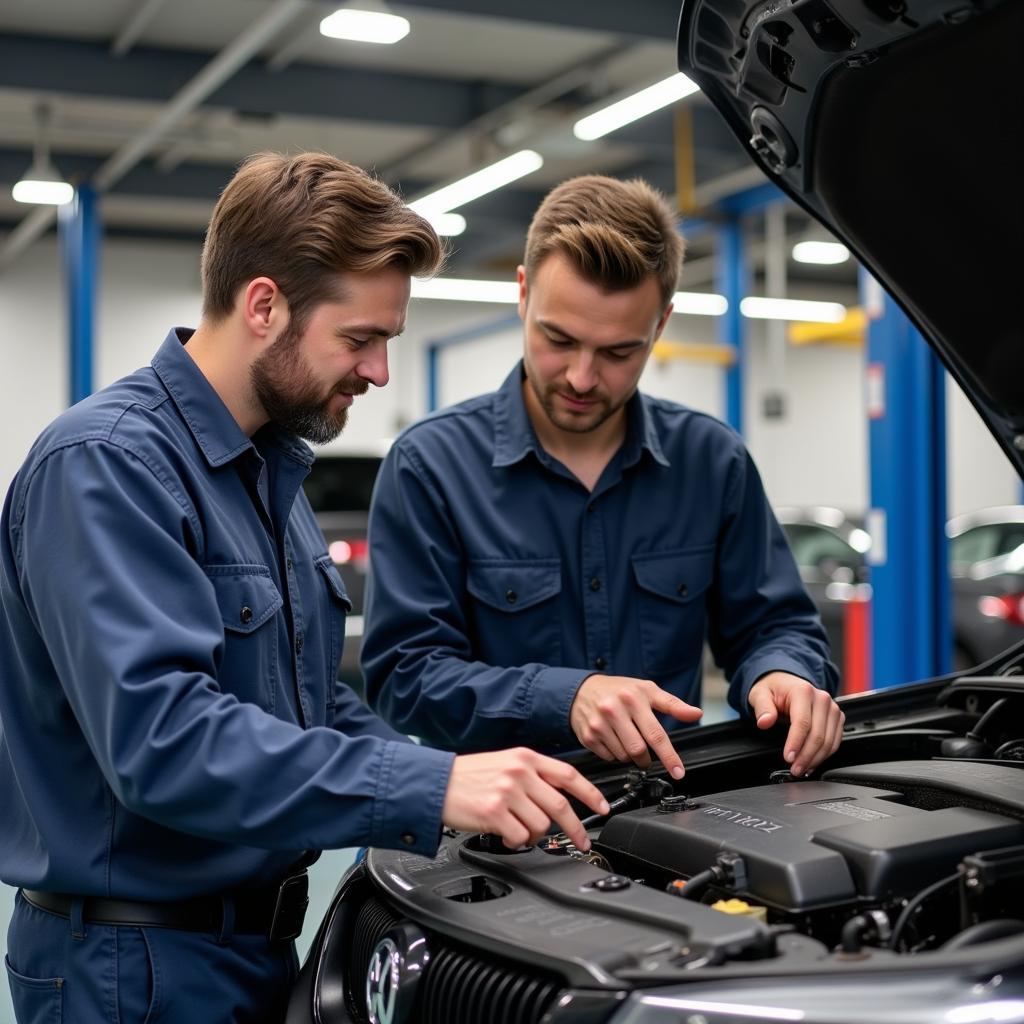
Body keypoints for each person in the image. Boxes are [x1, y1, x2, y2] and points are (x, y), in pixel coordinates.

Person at [0, 152, 608, 1023]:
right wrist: (425, 788)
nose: (378, 372)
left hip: (252, 950)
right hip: (130, 970)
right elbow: (163, 740)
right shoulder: (108, 466)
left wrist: (459, 787)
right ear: (262, 306)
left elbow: (308, 707)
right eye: (360, 339)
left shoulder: (267, 478)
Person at [363, 174, 844, 782]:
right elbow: (405, 679)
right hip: (501, 835)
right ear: (522, 293)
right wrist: (565, 697)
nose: (584, 378)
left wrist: (785, 672)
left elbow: (774, 625)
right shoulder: (429, 467)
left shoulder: (712, 461)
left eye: (619, 352)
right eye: (558, 340)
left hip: (672, 814)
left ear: (662, 323)